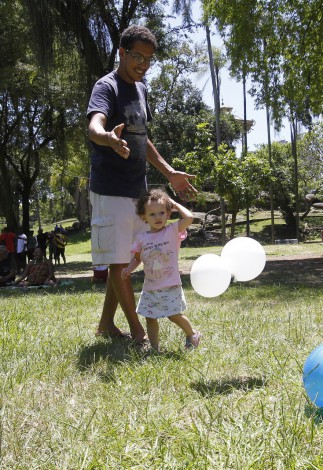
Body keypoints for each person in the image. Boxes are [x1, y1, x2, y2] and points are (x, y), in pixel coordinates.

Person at [87, 24, 196, 342]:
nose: (143, 64)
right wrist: (106, 138)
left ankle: (107, 324)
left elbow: (142, 138)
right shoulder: (106, 87)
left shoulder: (141, 89)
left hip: (137, 190)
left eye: (149, 59)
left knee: (124, 258)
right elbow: (95, 123)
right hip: (109, 188)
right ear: (121, 53)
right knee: (119, 259)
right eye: (137, 56)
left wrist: (169, 171)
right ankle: (138, 333)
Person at [121, 189, 201, 351]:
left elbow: (189, 218)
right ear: (144, 217)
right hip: (150, 287)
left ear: (168, 213)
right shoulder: (142, 239)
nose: (158, 217)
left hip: (170, 284)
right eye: (152, 214)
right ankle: (154, 347)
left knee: (174, 315)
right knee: (150, 318)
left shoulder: (172, 231)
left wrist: (176, 204)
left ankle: (192, 334)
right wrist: (128, 270)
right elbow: (137, 258)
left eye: (162, 212)